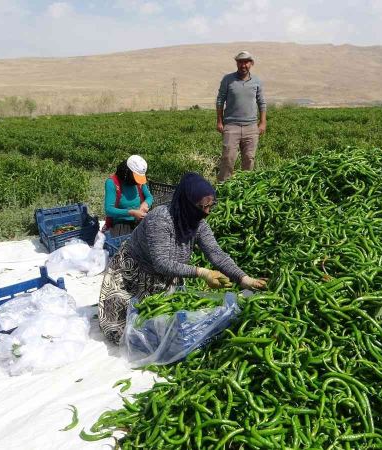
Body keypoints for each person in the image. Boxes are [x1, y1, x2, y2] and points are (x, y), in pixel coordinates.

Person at [98, 172, 267, 344]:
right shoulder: (160, 219)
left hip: (164, 277)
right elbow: (161, 263)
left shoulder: (197, 223)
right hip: (133, 272)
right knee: (124, 331)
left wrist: (243, 278)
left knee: (164, 329)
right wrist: (202, 272)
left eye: (211, 206)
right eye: (203, 207)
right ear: (188, 203)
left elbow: (216, 254)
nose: (207, 212)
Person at [216, 50, 267, 182]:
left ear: (251, 63)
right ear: (236, 63)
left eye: (246, 62)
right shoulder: (227, 79)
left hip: (251, 127)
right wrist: (220, 121)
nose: (243, 65)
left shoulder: (256, 81)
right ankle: (223, 188)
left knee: (249, 159)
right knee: (228, 158)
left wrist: (262, 123)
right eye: (240, 62)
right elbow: (220, 100)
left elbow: (261, 102)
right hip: (231, 126)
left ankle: (245, 187)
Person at [103, 155, 153, 237]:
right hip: (121, 222)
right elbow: (109, 210)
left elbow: (149, 197)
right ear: (127, 172)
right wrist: (131, 213)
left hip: (138, 221)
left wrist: (145, 204)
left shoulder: (139, 183)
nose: (137, 181)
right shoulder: (112, 183)